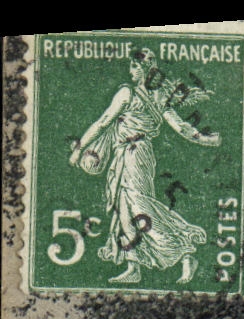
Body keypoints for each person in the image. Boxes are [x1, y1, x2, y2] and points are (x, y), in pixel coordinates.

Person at [68, 49, 221, 285]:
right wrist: (205, 138)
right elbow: (181, 127)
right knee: (124, 209)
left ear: (143, 69)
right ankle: (133, 266)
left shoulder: (129, 93)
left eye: (133, 67)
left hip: (135, 155)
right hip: (127, 154)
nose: (130, 71)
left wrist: (79, 148)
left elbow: (103, 122)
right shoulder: (157, 96)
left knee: (139, 206)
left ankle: (184, 253)